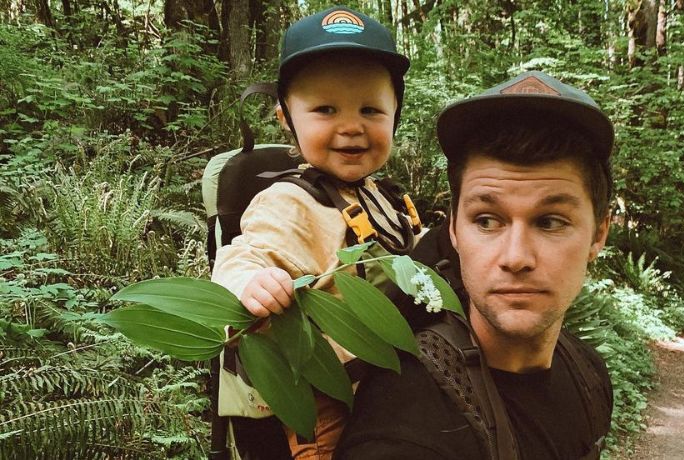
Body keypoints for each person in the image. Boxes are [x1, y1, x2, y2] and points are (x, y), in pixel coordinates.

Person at [334, 70, 616, 459]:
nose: (516, 257)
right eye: (486, 221)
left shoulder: (589, 375)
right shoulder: (402, 430)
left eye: (550, 222)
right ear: (453, 230)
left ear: (598, 234)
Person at [211, 6, 418, 459]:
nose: (352, 126)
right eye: (325, 109)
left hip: (389, 385)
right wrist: (251, 283)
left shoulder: (383, 197)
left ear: (395, 115)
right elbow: (243, 254)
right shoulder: (289, 202)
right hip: (326, 398)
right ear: (287, 118)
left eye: (371, 109)